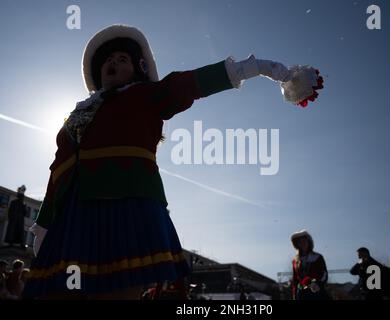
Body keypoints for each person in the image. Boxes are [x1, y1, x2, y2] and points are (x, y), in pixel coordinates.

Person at [24, 24, 324, 299]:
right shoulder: (79, 114)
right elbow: (60, 169)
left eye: (122, 59)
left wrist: (259, 67)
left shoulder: (148, 95)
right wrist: (45, 222)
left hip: (130, 203)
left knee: (121, 286)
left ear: (139, 69)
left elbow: (193, 82)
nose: (113, 63)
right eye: (108, 61)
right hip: (79, 210)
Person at [290, 229, 329, 300]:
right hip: (301, 293)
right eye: (300, 242)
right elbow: (295, 280)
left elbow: (324, 274)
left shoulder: (317, 257)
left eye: (304, 241)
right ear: (297, 244)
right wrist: (294, 296)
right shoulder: (295, 261)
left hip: (316, 292)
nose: (302, 243)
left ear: (309, 242)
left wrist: (316, 283)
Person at [4, 185, 27, 249]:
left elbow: (25, 213)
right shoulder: (13, 202)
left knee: (20, 231)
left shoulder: (23, 204)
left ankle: (21, 244)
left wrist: (23, 206)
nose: (22, 198)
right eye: (20, 196)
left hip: (20, 220)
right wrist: (11, 217)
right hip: (14, 219)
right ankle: (10, 243)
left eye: (22, 197)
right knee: (12, 231)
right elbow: (10, 211)